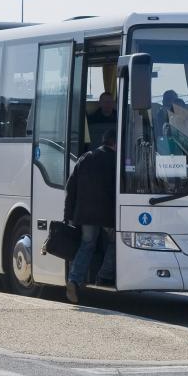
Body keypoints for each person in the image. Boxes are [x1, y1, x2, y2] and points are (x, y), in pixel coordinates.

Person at [64, 130, 117, 304]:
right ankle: (104, 275)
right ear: (115, 144)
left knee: (87, 245)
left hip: (84, 213)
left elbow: (70, 187)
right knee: (116, 242)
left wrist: (68, 214)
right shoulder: (115, 161)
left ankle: (74, 279)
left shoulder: (86, 157)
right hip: (106, 214)